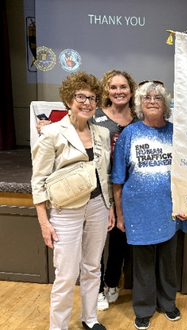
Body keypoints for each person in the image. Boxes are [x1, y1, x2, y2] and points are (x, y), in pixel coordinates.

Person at [31, 71, 114, 330]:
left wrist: (108, 207)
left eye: (92, 98)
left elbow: (105, 175)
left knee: (92, 267)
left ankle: (90, 318)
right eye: (81, 97)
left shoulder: (101, 133)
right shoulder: (52, 133)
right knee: (66, 275)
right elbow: (39, 182)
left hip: (98, 207)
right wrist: (44, 222)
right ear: (68, 99)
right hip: (65, 210)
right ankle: (58, 327)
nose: (87, 102)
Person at [111, 81, 187, 330]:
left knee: (168, 260)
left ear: (165, 104)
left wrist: (186, 203)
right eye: (147, 98)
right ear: (140, 104)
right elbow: (118, 180)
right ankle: (143, 308)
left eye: (157, 97)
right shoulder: (130, 133)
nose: (152, 100)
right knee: (143, 263)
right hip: (138, 209)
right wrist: (120, 214)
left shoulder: (176, 133)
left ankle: (167, 303)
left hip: (170, 209)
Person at [93, 70, 138, 311]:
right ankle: (98, 289)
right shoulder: (95, 116)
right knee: (98, 241)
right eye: (113, 87)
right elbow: (70, 125)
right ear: (106, 91)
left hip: (128, 188)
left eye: (123, 87)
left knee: (120, 239)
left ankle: (112, 282)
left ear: (131, 90)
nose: (118, 91)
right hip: (100, 187)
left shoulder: (139, 118)